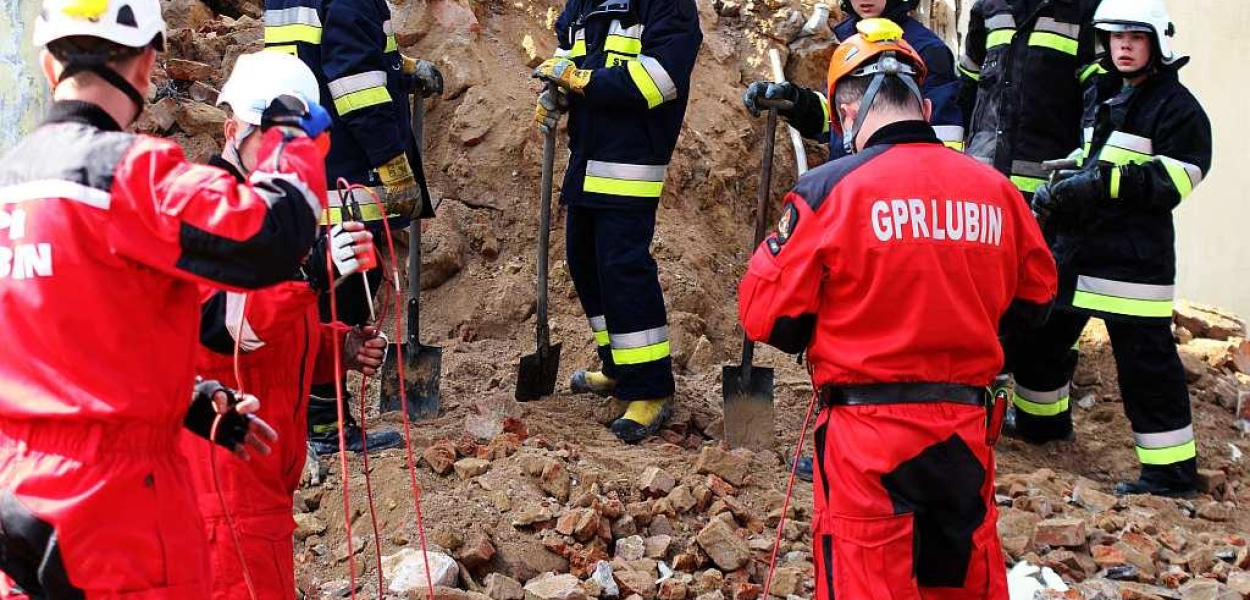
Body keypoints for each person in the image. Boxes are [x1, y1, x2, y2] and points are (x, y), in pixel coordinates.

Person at [0, 0, 330, 595]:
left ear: (49, 66)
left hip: (18, 510)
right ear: (147, 65)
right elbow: (269, 235)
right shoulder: (128, 174)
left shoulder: (8, 185)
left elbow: (75, 346)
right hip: (118, 519)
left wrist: (185, 400)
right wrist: (290, 137)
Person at [738, 19, 1056, 600]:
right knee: (963, 582)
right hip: (965, 431)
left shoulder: (828, 191)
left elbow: (766, 315)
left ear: (844, 116)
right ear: (926, 107)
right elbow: (1036, 302)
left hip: (869, 441)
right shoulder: (998, 193)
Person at [179, 50, 391, 600]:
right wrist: (316, 276)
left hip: (262, 479)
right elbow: (223, 331)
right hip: (221, 480)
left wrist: (337, 350)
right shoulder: (206, 208)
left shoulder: (266, 214)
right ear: (233, 131)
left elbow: (277, 342)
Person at [1018, 0, 1212, 497]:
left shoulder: (1178, 108)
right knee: (1041, 342)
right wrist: (1065, 180)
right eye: (1115, 38)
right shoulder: (1107, 93)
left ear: (1158, 42)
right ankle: (1043, 427)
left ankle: (1171, 475)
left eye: (1135, 37)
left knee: (1146, 369)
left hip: (1132, 266)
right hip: (1080, 252)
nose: (1123, 46)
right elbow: (1093, 156)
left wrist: (1097, 185)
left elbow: (1175, 179)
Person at [263, 0, 444, 454]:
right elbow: (354, 83)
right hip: (348, 165)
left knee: (318, 287)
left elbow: (324, 55)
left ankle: (310, 413)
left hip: (306, 158)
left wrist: (399, 68)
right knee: (350, 284)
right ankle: (325, 422)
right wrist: (393, 165)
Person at [533, 0, 702, 442]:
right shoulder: (584, 4)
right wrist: (556, 91)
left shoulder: (669, 6)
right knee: (584, 262)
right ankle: (620, 369)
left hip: (630, 161)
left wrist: (584, 82)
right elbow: (568, 55)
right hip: (586, 155)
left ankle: (650, 388)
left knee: (622, 269)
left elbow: (661, 80)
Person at [743, 0, 964, 155]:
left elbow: (946, 142)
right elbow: (838, 118)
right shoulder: (847, 38)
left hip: (900, 197)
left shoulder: (927, 49)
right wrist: (796, 103)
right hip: (850, 183)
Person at [957, 0, 1102, 198]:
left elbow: (1098, 98)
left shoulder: (1083, 9)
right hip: (982, 181)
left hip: (1047, 188)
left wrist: (1087, 162)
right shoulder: (989, 6)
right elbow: (967, 89)